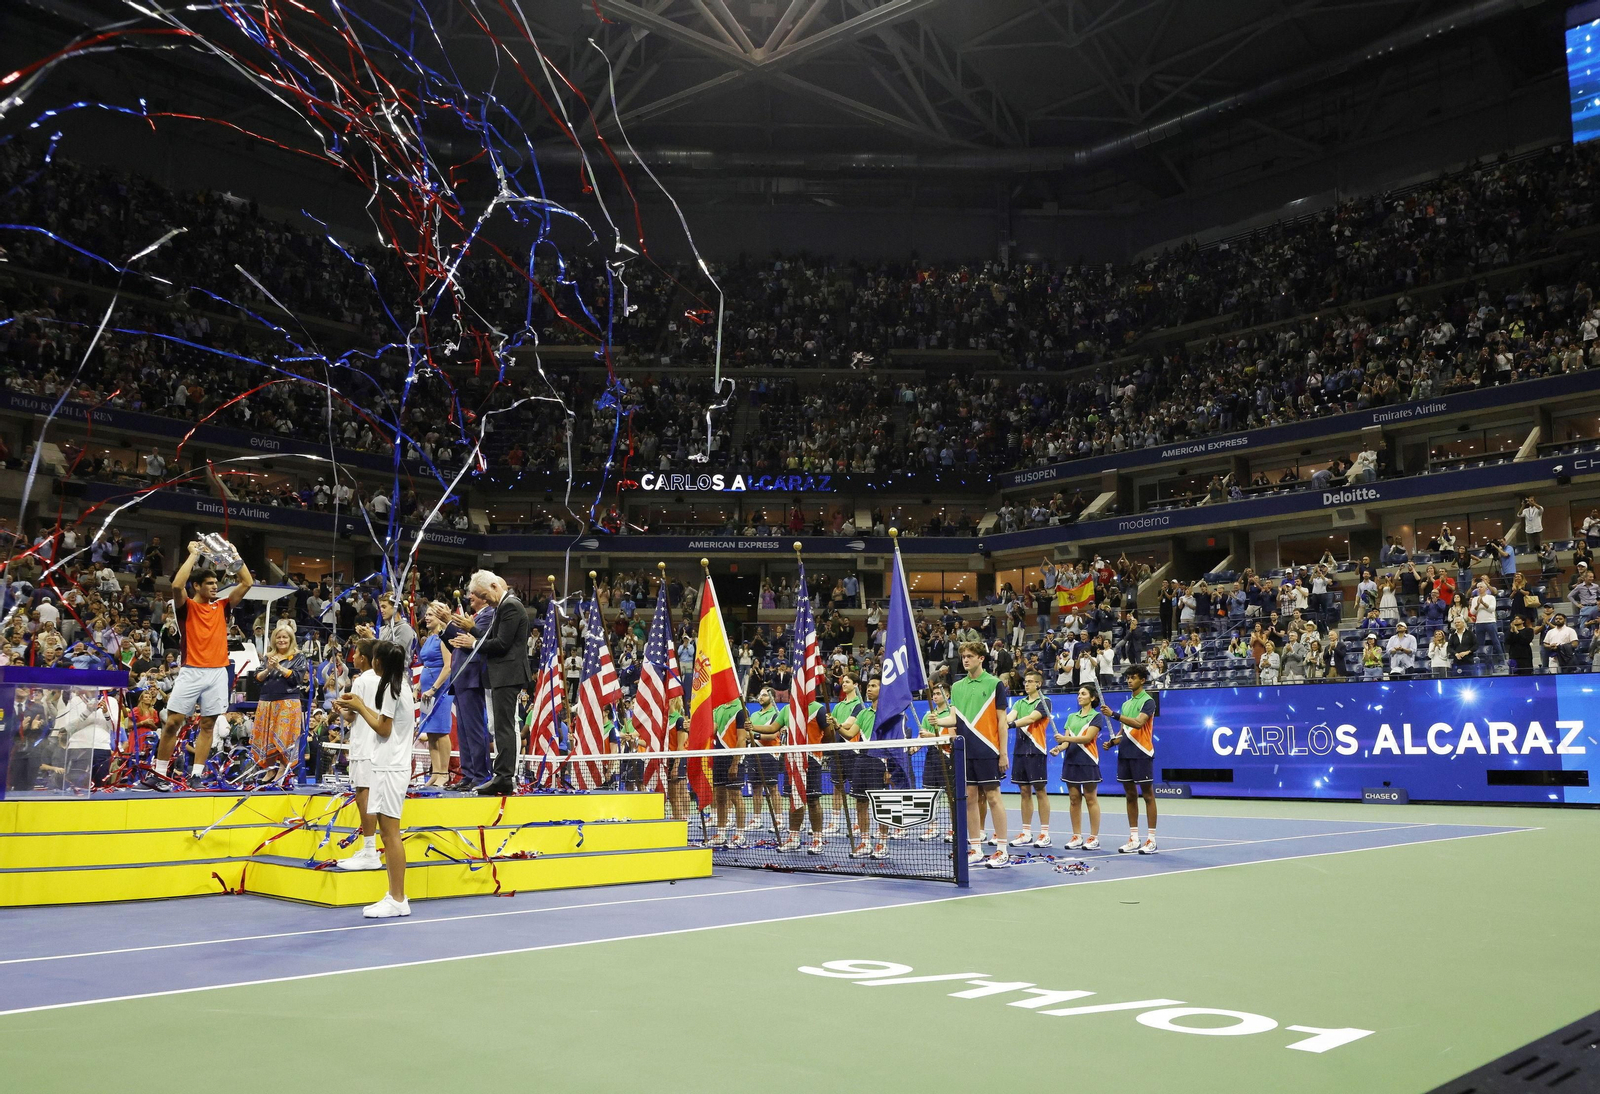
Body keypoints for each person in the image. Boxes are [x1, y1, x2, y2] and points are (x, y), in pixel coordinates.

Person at [142, 539, 254, 790]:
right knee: (172, 722)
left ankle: (197, 775)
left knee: (208, 725)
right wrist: (193, 554)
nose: (215, 587)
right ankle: (159, 774)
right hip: (191, 670)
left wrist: (234, 556)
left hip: (217, 672)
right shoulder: (186, 607)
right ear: (197, 586)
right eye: (210, 583)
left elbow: (247, 582)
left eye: (216, 583)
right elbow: (176, 585)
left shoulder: (222, 606)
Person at [335, 640, 415, 918]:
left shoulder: (393, 689)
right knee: (388, 832)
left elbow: (382, 729)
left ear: (378, 662)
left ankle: (398, 898)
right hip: (388, 765)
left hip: (391, 767)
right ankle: (395, 895)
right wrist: (359, 707)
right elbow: (383, 722)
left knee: (391, 834)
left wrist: (358, 705)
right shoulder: (397, 684)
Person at [932, 641, 1011, 869]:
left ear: (981, 658)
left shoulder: (994, 684)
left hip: (988, 749)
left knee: (994, 797)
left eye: (970, 656)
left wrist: (1003, 753)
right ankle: (976, 849)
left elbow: (1001, 722)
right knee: (970, 799)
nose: (965, 659)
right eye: (963, 656)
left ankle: (1002, 849)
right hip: (965, 750)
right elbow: (954, 718)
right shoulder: (957, 687)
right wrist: (938, 721)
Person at [450, 571, 528, 795]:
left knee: (504, 727)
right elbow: (492, 637)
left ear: (494, 586)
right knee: (499, 727)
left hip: (507, 674)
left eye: (485, 594)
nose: (485, 600)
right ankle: (501, 775)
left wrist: (473, 641)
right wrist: (472, 629)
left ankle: (504, 777)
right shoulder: (501, 607)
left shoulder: (510, 606)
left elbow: (501, 644)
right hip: (501, 675)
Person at [434, 589, 493, 788]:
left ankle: (480, 775)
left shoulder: (489, 615)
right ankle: (468, 774)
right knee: (464, 730)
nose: (470, 598)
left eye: (474, 595)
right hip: (460, 679)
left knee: (475, 730)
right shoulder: (474, 617)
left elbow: (474, 642)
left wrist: (449, 621)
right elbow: (458, 644)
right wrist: (445, 629)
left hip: (472, 678)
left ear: (484, 597)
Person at [335, 638, 383, 870]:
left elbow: (353, 716)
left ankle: (370, 851)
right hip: (382, 746)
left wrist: (340, 710)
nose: (352, 657)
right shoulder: (387, 679)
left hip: (364, 746)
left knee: (364, 795)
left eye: (355, 654)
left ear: (363, 658)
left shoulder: (361, 681)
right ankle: (370, 849)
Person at [1101, 665, 1157, 855]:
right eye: (1128, 678)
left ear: (1142, 680)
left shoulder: (1148, 702)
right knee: (1130, 795)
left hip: (1142, 753)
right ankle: (1134, 838)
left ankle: (1151, 839)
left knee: (1148, 795)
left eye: (1133, 678)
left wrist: (1114, 715)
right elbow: (1123, 732)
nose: (1129, 680)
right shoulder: (1126, 704)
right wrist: (1113, 742)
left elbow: (1139, 723)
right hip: (1125, 753)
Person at [251, 622, 308, 783]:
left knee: (284, 738)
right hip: (266, 702)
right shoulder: (268, 656)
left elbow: (296, 679)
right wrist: (269, 668)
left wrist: (280, 668)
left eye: (285, 637)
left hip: (287, 702)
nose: (281, 640)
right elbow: (257, 679)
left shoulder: (298, 657)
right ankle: (270, 770)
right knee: (267, 738)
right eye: (278, 637)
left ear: (291, 640)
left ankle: (282, 770)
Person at [1050, 683, 1103, 850]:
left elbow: (1087, 738)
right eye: (1079, 694)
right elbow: (1066, 742)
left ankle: (1093, 837)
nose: (1079, 696)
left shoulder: (1096, 716)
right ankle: (1077, 836)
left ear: (1092, 698)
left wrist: (1065, 740)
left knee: (1090, 798)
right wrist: (1059, 748)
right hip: (1071, 760)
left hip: (1088, 760)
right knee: (1074, 799)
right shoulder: (1071, 717)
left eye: (1083, 694)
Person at [1008, 669, 1053, 849]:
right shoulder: (1019, 703)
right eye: (1025, 681)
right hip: (1020, 751)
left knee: (1040, 791)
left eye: (1030, 681)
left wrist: (1010, 725)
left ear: (1038, 684)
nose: (1026, 684)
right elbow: (1010, 716)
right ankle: (1026, 833)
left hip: (1036, 750)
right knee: (1024, 792)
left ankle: (1045, 833)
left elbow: (1031, 718)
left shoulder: (1045, 701)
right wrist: (1001, 721)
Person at [416, 608, 454, 788]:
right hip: (426, 690)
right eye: (427, 614)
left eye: (431, 615)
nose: (426, 617)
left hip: (442, 690)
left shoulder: (444, 638)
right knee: (430, 731)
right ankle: (436, 772)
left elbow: (448, 667)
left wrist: (433, 688)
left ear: (440, 618)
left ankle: (444, 773)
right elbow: (426, 663)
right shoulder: (430, 638)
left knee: (441, 730)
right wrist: (420, 685)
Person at [707, 693, 750, 848]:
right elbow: (711, 731)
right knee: (719, 797)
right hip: (718, 757)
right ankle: (721, 833)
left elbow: (741, 739)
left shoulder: (741, 710)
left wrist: (735, 763)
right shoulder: (717, 709)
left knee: (735, 796)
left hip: (733, 758)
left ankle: (740, 834)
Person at [916, 683, 955, 845]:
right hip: (932, 756)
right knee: (930, 796)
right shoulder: (928, 715)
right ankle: (933, 827)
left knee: (952, 797)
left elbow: (952, 737)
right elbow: (921, 737)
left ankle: (954, 829)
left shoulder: (952, 713)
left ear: (947, 695)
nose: (935, 696)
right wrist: (913, 748)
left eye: (939, 693)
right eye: (934, 694)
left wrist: (930, 735)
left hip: (948, 756)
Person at [747, 686, 787, 836]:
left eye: (764, 695)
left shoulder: (776, 715)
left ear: (772, 697)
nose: (760, 697)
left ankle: (779, 819)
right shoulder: (754, 714)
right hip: (753, 753)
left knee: (773, 788)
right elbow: (746, 733)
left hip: (769, 754)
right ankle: (756, 819)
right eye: (759, 694)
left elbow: (772, 736)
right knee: (756, 788)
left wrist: (754, 735)